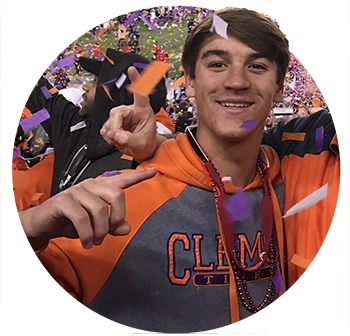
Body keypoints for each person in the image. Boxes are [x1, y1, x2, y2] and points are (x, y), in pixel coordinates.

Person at [14, 8, 347, 335]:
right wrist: (24, 231)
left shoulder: (290, 171)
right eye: (217, 64)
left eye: (257, 66)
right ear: (188, 81)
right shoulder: (120, 198)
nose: (236, 81)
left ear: (278, 89)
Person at [23, 48, 168, 197]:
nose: (85, 87)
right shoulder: (77, 127)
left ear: (113, 97)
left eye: (95, 81)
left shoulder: (133, 170)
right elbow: (39, 92)